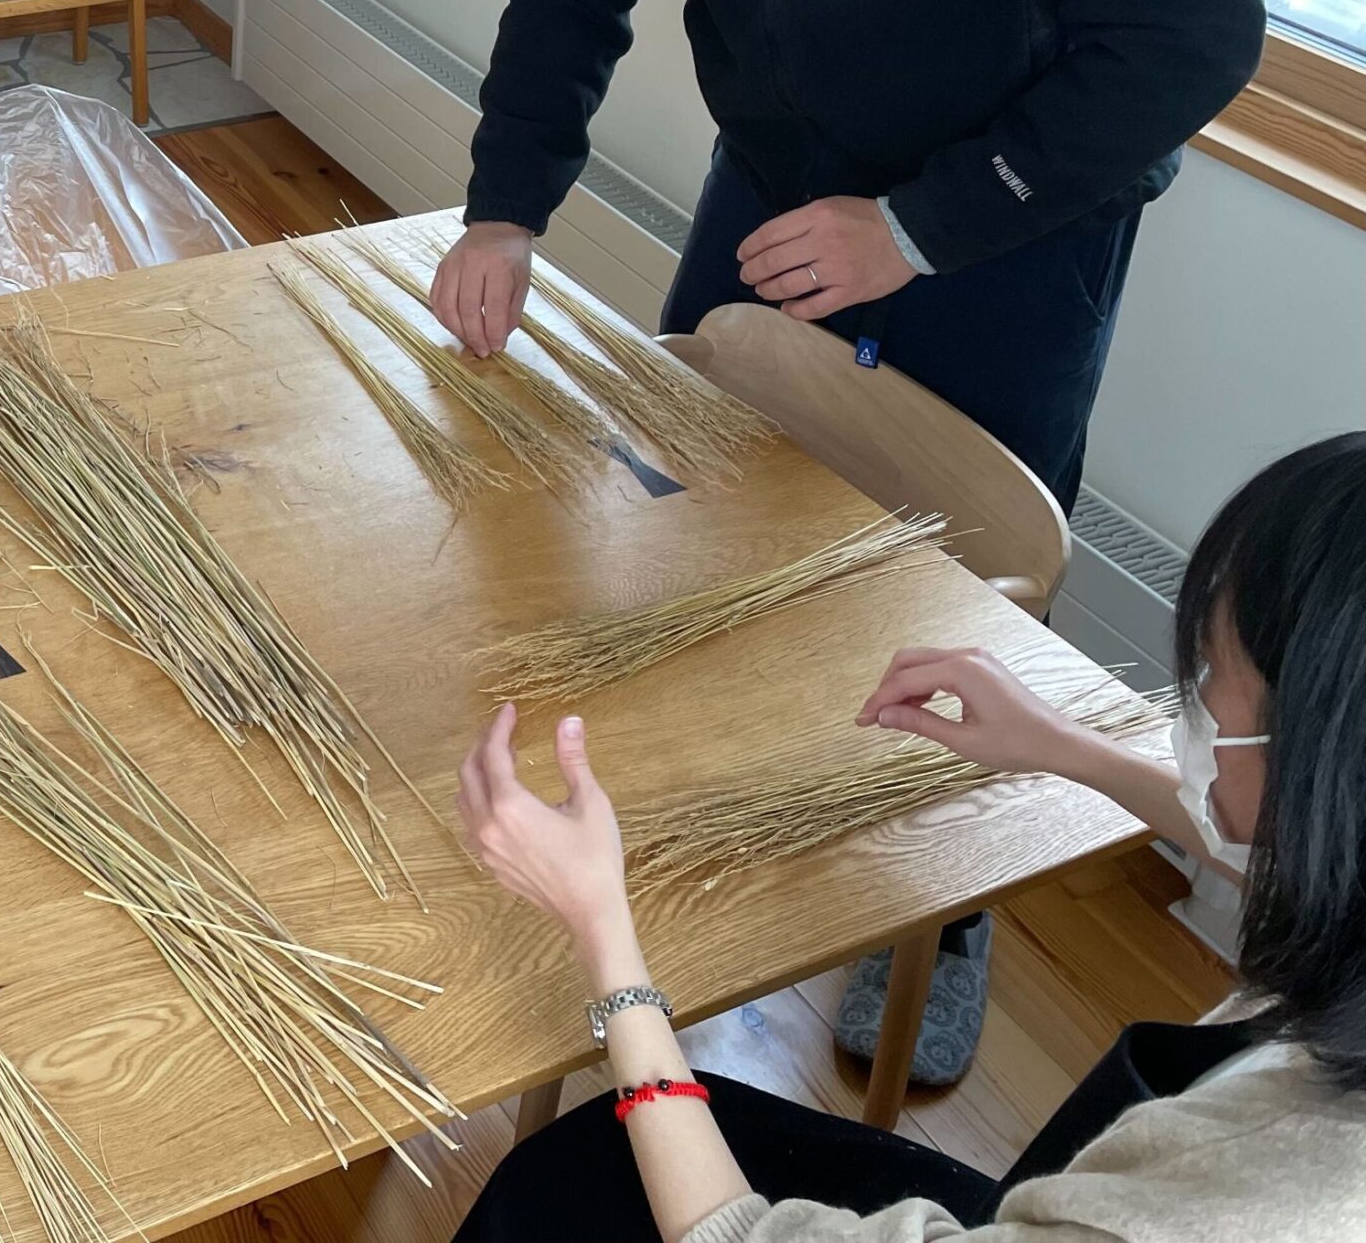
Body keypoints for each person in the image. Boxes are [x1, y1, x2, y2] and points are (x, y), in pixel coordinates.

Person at [426, 0, 1265, 1081]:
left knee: (956, 600)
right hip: (782, 159)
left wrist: (927, 228)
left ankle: (927, 921)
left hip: (1009, 218)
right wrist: (507, 201)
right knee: (687, 523)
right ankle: (658, 862)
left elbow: (1190, 36)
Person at [449, 433, 1366, 1242]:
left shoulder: (1278, 1191)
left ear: (1317, 751)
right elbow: (1282, 863)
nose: (1195, 692)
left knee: (552, 1190)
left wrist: (603, 932)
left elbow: (736, 1234)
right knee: (581, 1163)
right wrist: (1056, 744)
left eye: (1214, 672)